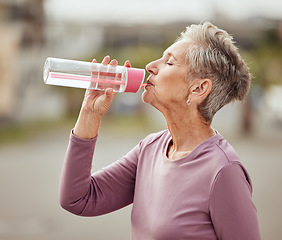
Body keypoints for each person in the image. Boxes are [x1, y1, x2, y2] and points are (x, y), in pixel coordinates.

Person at [59, 22, 261, 240]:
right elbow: (78, 199)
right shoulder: (150, 149)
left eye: (169, 62)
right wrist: (90, 113)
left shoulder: (223, 171)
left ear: (198, 88)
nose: (150, 66)